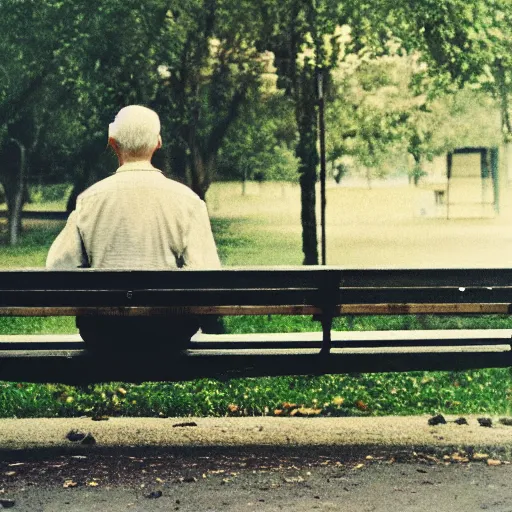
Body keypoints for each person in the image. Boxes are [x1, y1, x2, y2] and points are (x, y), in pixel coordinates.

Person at [46, 105, 221, 356]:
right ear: (158, 143)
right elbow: (208, 275)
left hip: (103, 334)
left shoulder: (89, 200)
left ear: (112, 143)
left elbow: (57, 266)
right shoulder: (188, 201)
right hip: (170, 335)